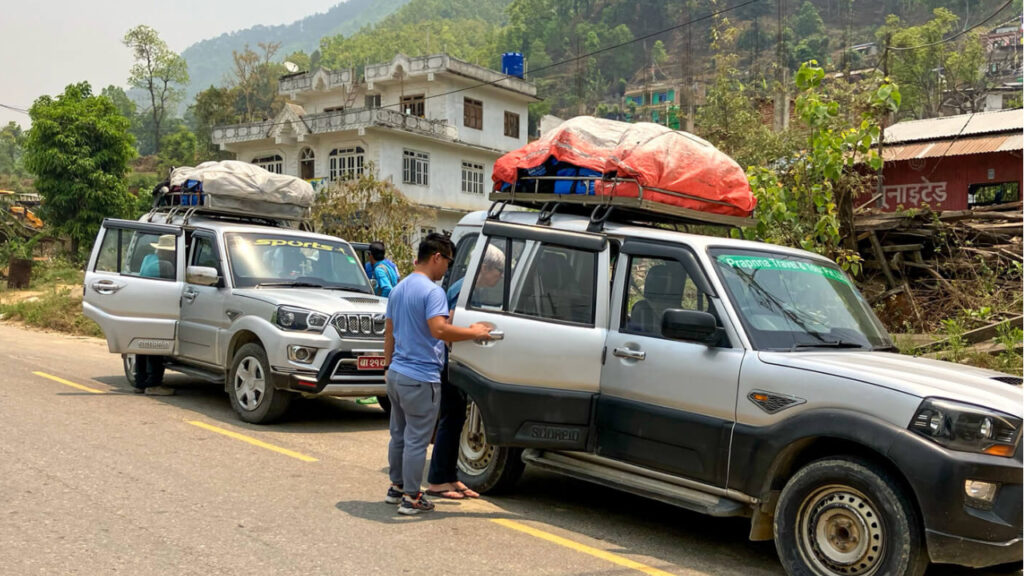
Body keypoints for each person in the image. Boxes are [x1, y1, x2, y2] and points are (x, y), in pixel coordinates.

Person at [383, 233, 492, 515]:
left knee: (399, 435)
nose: (447, 268)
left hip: (396, 373)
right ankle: (412, 497)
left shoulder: (399, 288)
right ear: (436, 257)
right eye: (448, 262)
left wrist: (387, 366)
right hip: (421, 376)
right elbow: (439, 330)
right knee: (417, 440)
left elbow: (389, 332)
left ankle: (396, 488)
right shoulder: (433, 292)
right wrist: (474, 332)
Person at [426, 243, 505, 500]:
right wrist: (474, 332)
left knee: (457, 418)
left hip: (459, 361)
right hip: (450, 362)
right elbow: (448, 328)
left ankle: (451, 477)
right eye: (499, 271)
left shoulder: (473, 290)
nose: (500, 277)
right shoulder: (463, 291)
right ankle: (438, 479)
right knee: (450, 420)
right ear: (485, 268)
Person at [134, 234, 176, 396]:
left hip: (142, 306)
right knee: (157, 346)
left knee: (141, 347)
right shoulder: (166, 265)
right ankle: (154, 383)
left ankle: (140, 382)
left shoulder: (148, 259)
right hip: (157, 308)